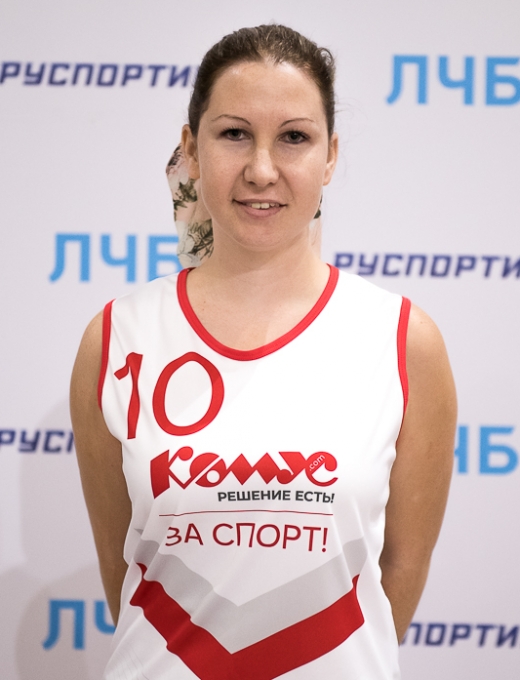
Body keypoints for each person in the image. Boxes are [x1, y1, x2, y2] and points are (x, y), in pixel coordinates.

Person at [71, 24, 457, 680]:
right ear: (191, 150)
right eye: (234, 134)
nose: (261, 169)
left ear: (331, 156)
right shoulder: (116, 338)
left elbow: (398, 576)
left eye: (294, 137)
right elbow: (124, 574)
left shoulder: (402, 339)